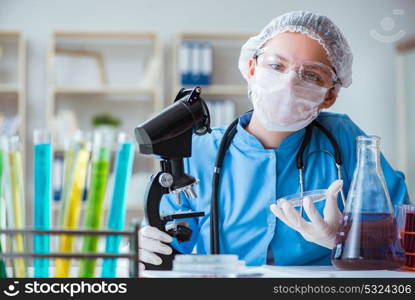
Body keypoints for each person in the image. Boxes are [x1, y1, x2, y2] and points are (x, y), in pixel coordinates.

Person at [139, 11, 410, 268]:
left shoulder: (346, 139)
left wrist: (343, 240)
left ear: (330, 95)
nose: (289, 82)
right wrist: (147, 245)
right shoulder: (198, 150)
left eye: (312, 75)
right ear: (252, 68)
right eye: (276, 65)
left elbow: (404, 238)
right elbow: (170, 242)